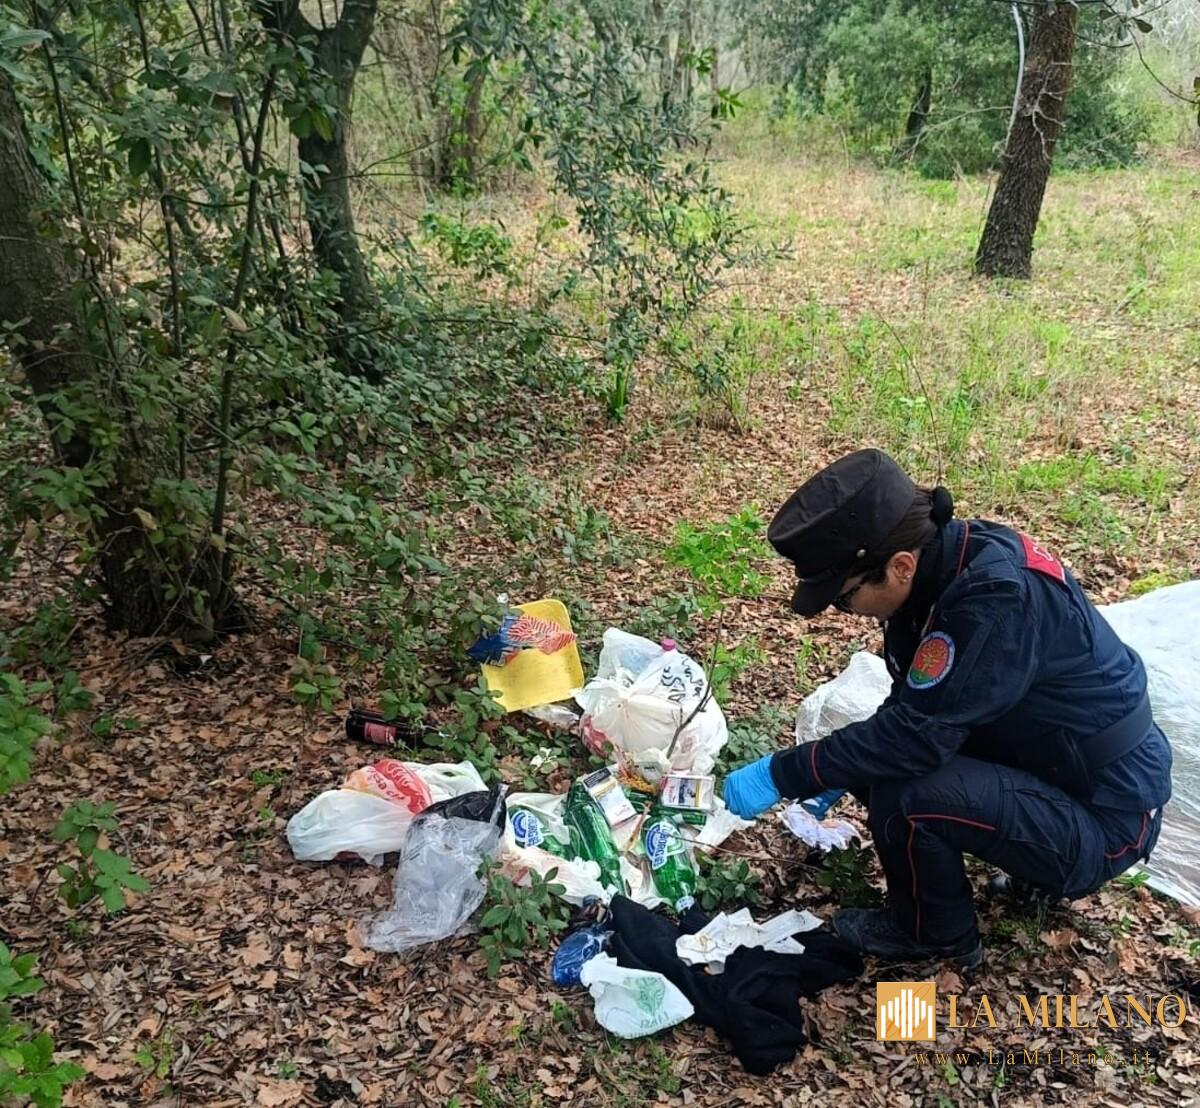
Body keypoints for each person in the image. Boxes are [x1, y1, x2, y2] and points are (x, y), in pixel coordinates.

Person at [723, 449, 1173, 967]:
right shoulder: (940, 572)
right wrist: (830, 769)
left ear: (899, 566)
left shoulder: (994, 598)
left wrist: (786, 772)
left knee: (904, 786)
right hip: (1057, 771)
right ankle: (1004, 861)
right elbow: (918, 705)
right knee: (867, 762)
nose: (844, 612)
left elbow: (912, 741)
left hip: (1108, 815)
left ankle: (934, 936)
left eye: (845, 598)